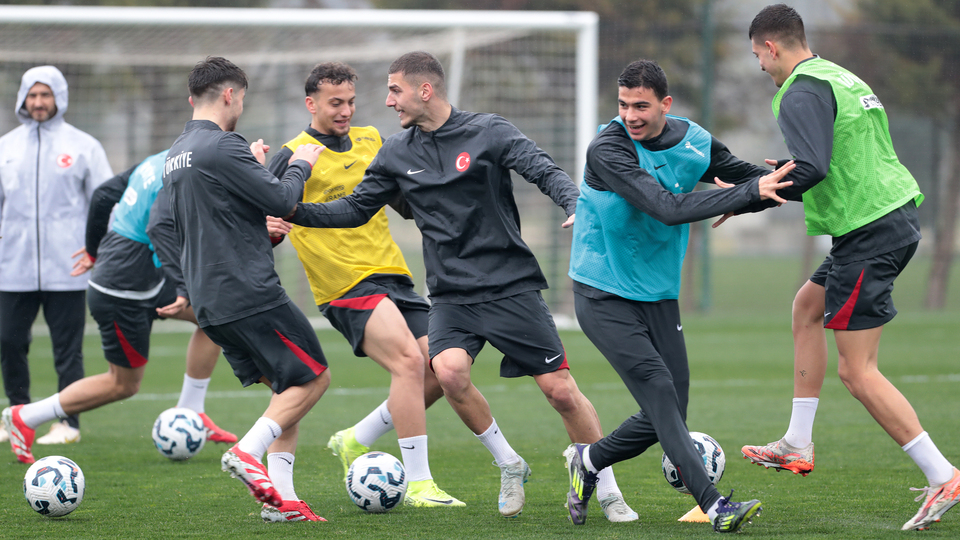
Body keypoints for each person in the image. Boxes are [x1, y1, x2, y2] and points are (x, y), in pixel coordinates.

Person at [286, 51, 636, 521]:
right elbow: (353, 209)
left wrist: (572, 200)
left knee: (560, 392)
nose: (387, 101)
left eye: (395, 90)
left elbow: (541, 168)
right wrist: (294, 211)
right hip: (452, 294)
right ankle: (510, 464)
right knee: (448, 371)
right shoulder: (395, 152)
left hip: (510, 285)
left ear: (423, 90)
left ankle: (607, 486)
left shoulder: (489, 130)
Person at [739, 4, 959, 532]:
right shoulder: (836, 73)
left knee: (857, 372)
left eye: (757, 58)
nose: (761, 69)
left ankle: (944, 475)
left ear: (771, 47)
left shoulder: (797, 89)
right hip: (890, 216)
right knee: (807, 306)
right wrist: (785, 172)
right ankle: (797, 442)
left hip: (870, 231)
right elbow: (834, 154)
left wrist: (753, 194)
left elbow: (813, 166)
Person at [561, 59, 796, 532]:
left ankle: (587, 462)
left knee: (666, 413)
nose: (630, 115)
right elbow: (667, 209)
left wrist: (819, 175)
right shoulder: (608, 148)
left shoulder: (695, 141)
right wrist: (742, 194)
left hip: (658, 291)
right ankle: (716, 507)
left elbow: (756, 180)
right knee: (660, 391)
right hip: (602, 291)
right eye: (624, 105)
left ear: (666, 104)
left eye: (641, 106)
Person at [266, 62, 461, 508]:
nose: (346, 111)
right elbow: (265, 218)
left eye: (351, 102)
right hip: (343, 284)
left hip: (392, 274)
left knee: (445, 366)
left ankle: (358, 437)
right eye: (336, 103)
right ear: (311, 103)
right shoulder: (292, 153)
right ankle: (418, 484)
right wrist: (270, 228)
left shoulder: (374, 140)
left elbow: (404, 203)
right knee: (410, 362)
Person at [164, 56, 330, 523]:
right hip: (247, 290)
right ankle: (247, 453)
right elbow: (282, 199)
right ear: (230, 94)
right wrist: (300, 162)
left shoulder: (176, 155)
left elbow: (220, 220)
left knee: (283, 390)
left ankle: (283, 504)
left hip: (211, 299)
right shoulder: (222, 145)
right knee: (313, 377)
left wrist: (263, 222)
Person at [2, 150, 237, 465]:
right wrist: (183, 284)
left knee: (217, 316)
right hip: (123, 288)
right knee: (123, 384)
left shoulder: (159, 160)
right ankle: (26, 415)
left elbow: (102, 197)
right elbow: (158, 227)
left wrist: (95, 250)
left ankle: (190, 409)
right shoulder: (188, 167)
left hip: (144, 275)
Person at [0, 65, 112, 446]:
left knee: (68, 350)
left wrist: (98, 250)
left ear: (59, 98)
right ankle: (17, 413)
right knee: (9, 341)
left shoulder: (83, 146)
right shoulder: (6, 147)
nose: (38, 102)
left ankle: (68, 423)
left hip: (68, 267)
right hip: (12, 266)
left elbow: (104, 202)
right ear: (23, 99)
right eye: (32, 95)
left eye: (45, 95)